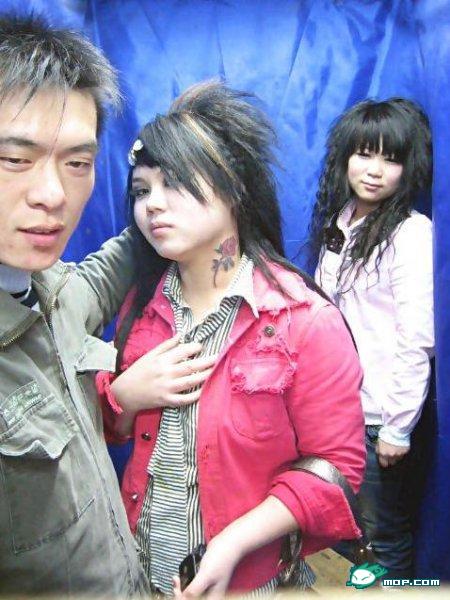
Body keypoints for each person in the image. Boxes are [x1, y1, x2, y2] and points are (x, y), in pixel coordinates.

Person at [96, 81, 366, 598]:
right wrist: (124, 396)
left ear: (235, 187)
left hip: (248, 581)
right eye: (142, 190)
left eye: (175, 182)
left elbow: (337, 467)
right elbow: (108, 431)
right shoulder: (140, 307)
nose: (153, 205)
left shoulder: (304, 321)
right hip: (139, 569)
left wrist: (234, 543)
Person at [0, 13, 210, 595]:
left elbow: (109, 267)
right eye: (15, 159)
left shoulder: (53, 291)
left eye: (77, 163)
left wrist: (178, 187)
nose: (52, 195)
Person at [311, 98, 434, 580]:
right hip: (335, 409)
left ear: (409, 168)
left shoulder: (410, 232)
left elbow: (417, 337)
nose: (375, 170)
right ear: (346, 157)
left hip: (379, 417)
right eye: (365, 153)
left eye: (391, 158)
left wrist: (397, 427)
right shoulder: (340, 220)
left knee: (383, 536)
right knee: (342, 529)